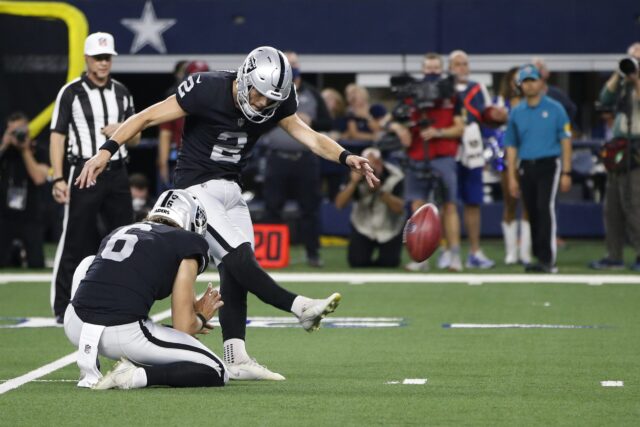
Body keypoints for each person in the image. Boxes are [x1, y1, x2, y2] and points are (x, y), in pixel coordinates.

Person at [75, 46, 378, 381]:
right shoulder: (206, 88)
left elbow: (308, 135)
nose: (263, 104)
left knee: (237, 271)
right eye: (259, 95)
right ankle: (300, 307)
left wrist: (346, 157)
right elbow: (145, 117)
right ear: (246, 76)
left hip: (232, 189)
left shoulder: (278, 98)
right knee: (238, 259)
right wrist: (106, 152)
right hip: (196, 189)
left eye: (271, 100)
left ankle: (236, 356)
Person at [64, 189, 227, 389]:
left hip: (75, 324)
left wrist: (191, 316)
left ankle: (88, 360)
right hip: (123, 334)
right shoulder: (189, 241)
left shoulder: (120, 231)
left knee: (88, 262)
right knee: (217, 370)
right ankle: (135, 376)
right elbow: (183, 327)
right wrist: (200, 318)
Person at [49, 32, 140, 323]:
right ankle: (63, 307)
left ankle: (126, 303)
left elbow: (136, 139)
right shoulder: (72, 92)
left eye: (107, 58)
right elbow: (57, 136)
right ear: (87, 59)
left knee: (126, 239)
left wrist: (123, 129)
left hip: (117, 172)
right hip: (84, 171)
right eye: (98, 58)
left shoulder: (123, 92)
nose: (103, 63)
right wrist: (57, 177)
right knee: (75, 240)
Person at [259, 51, 332, 267]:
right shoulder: (269, 91)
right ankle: (269, 253)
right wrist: (280, 119)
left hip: (305, 158)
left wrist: (312, 123)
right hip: (277, 158)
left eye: (294, 63)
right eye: (288, 64)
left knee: (310, 208)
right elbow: (256, 120)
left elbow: (329, 123)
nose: (292, 67)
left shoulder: (312, 94)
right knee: (272, 206)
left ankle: (313, 254)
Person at [505, 64, 572, 273]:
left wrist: (566, 172)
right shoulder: (517, 112)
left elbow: (565, 140)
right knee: (532, 210)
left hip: (548, 164)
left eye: (533, 80)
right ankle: (538, 256)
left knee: (545, 208)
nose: (529, 85)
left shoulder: (555, 108)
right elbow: (511, 145)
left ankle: (548, 259)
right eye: (525, 81)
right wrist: (511, 177)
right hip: (526, 165)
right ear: (520, 85)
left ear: (541, 82)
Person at [402, 53, 465, 271]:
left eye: (435, 68)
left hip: (443, 155)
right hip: (417, 154)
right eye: (428, 68)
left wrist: (438, 132)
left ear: (442, 69)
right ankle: (420, 256)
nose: (432, 72)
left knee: (449, 205)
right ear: (422, 70)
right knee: (416, 206)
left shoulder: (452, 95)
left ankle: (454, 254)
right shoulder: (412, 95)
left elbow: (460, 127)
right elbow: (402, 124)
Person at [448, 50, 508, 269]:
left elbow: (487, 119)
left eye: (464, 64)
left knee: (473, 201)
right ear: (450, 67)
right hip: (449, 150)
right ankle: (449, 250)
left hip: (472, 149)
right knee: (449, 203)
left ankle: (475, 250)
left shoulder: (478, 88)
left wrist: (497, 118)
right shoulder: (444, 88)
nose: (461, 68)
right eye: (457, 64)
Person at [589, 42, 640, 271]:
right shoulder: (622, 84)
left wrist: (637, 79)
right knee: (613, 206)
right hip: (618, 148)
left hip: (637, 149)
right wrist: (620, 72)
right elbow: (604, 99)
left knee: (635, 205)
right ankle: (614, 255)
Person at [335, 147, 405, 267]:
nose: (370, 170)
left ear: (381, 163)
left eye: (375, 164)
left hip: (389, 228)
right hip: (363, 226)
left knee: (389, 263)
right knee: (357, 262)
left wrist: (381, 190)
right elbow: (339, 205)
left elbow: (400, 209)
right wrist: (353, 183)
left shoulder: (396, 176)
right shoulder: (354, 173)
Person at [0, 112, 49, 268]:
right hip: (4, 216)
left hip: (31, 216)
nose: (17, 135)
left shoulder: (38, 150)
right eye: (13, 131)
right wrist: (4, 145)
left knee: (36, 263)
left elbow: (39, 178)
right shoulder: (5, 151)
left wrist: (24, 150)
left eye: (20, 130)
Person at [495, 67, 531, 265]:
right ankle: (511, 251)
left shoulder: (532, 102)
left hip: (528, 155)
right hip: (507, 156)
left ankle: (525, 251)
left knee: (529, 204)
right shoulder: (500, 102)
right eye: (515, 79)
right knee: (510, 202)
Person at [157, 60, 209, 192]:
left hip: (208, 161)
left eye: (203, 77)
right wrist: (163, 164)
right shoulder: (176, 100)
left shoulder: (218, 101)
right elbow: (165, 132)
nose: (199, 82)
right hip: (183, 160)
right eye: (195, 77)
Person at [531, 57, 578, 128]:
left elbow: (571, 109)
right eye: (535, 69)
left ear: (547, 72)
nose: (538, 72)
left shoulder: (557, 94)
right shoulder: (525, 96)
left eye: (540, 69)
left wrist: (564, 126)